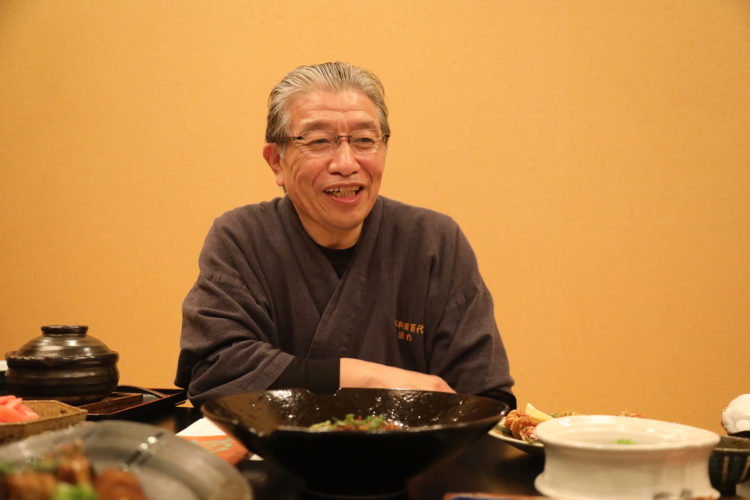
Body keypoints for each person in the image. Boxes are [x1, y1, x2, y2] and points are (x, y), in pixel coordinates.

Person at [175, 62, 516, 409]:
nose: (346, 163)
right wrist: (366, 379)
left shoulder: (434, 242)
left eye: (364, 140)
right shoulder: (242, 238)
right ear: (277, 161)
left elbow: (484, 396)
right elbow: (218, 371)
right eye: (319, 141)